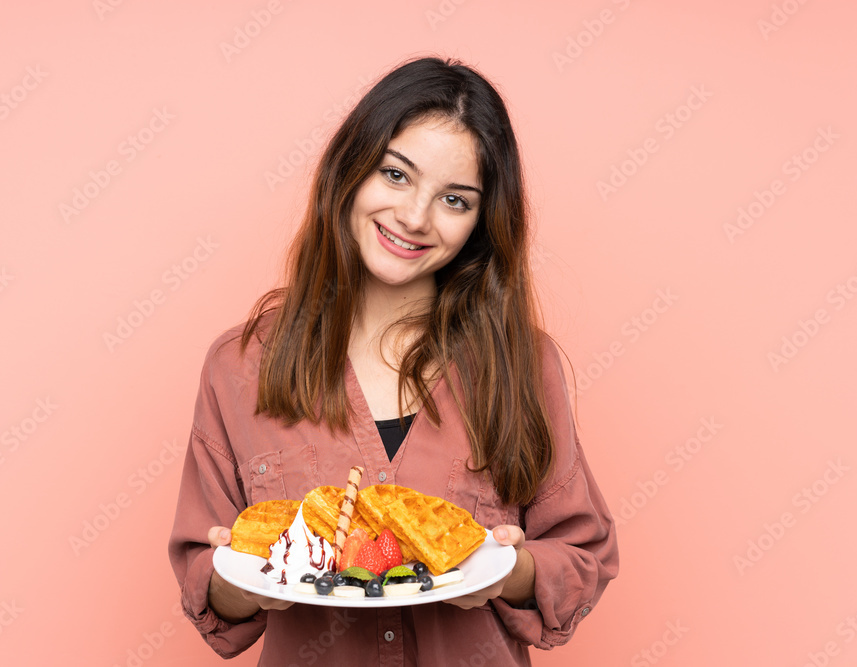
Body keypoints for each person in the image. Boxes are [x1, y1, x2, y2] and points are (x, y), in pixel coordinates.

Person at [168, 55, 619, 666]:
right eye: (397, 175)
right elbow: (209, 582)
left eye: (455, 200)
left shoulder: (521, 364)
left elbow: (584, 554)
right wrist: (238, 576)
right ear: (350, 171)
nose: (414, 218)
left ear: (482, 221)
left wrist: (509, 570)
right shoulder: (241, 364)